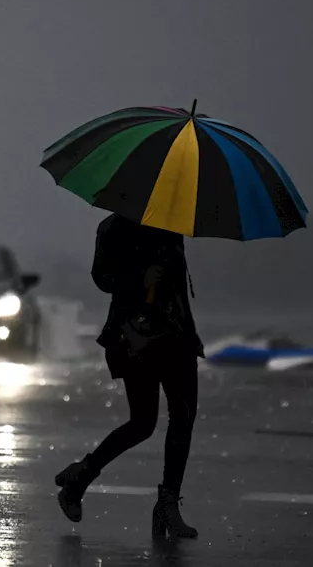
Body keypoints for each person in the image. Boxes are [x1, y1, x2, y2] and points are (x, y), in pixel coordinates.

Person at [54, 212, 204, 539]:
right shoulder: (113, 228)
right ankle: (80, 478)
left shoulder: (172, 225)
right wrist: (140, 279)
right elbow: (103, 278)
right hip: (136, 338)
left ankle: (167, 504)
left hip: (177, 335)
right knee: (143, 423)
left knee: (184, 416)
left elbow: (178, 282)